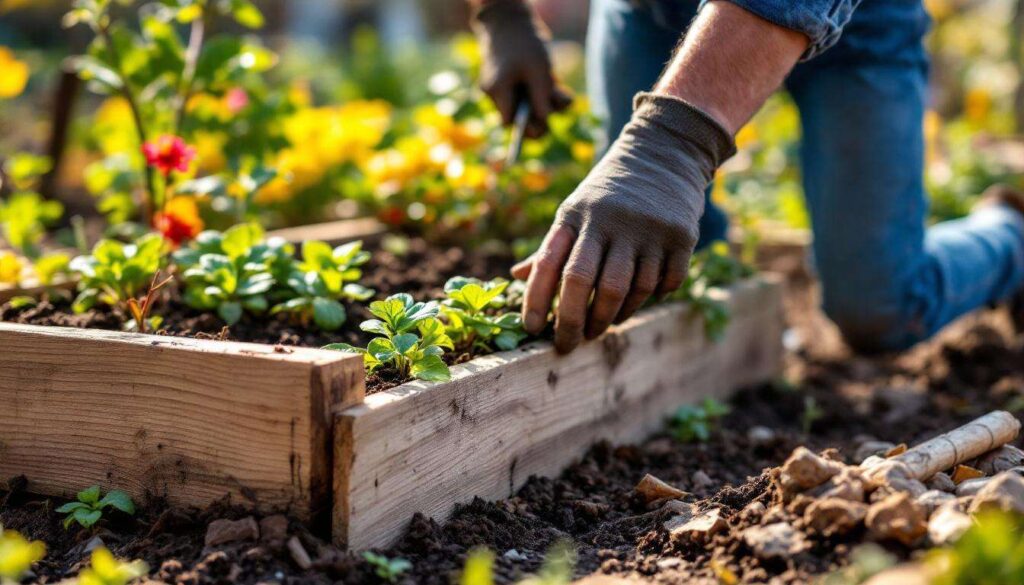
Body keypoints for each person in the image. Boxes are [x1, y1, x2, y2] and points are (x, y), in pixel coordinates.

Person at [468, 0, 1024, 354]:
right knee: (667, 264)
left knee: (878, 309)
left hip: (862, 24)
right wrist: (503, 15)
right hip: (652, 11)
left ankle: (1011, 238)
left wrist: (670, 146)